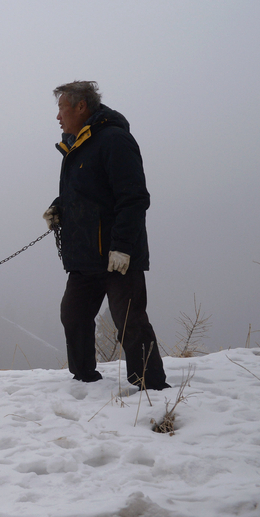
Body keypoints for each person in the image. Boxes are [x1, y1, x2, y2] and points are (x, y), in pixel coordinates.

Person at [44, 81, 169, 389]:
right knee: (73, 314)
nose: (58, 117)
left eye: (61, 108)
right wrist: (59, 207)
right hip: (84, 255)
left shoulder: (114, 140)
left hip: (117, 255)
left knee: (130, 321)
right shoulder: (77, 145)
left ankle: (151, 385)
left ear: (81, 107)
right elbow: (88, 193)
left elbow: (133, 197)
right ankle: (84, 378)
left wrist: (123, 248)